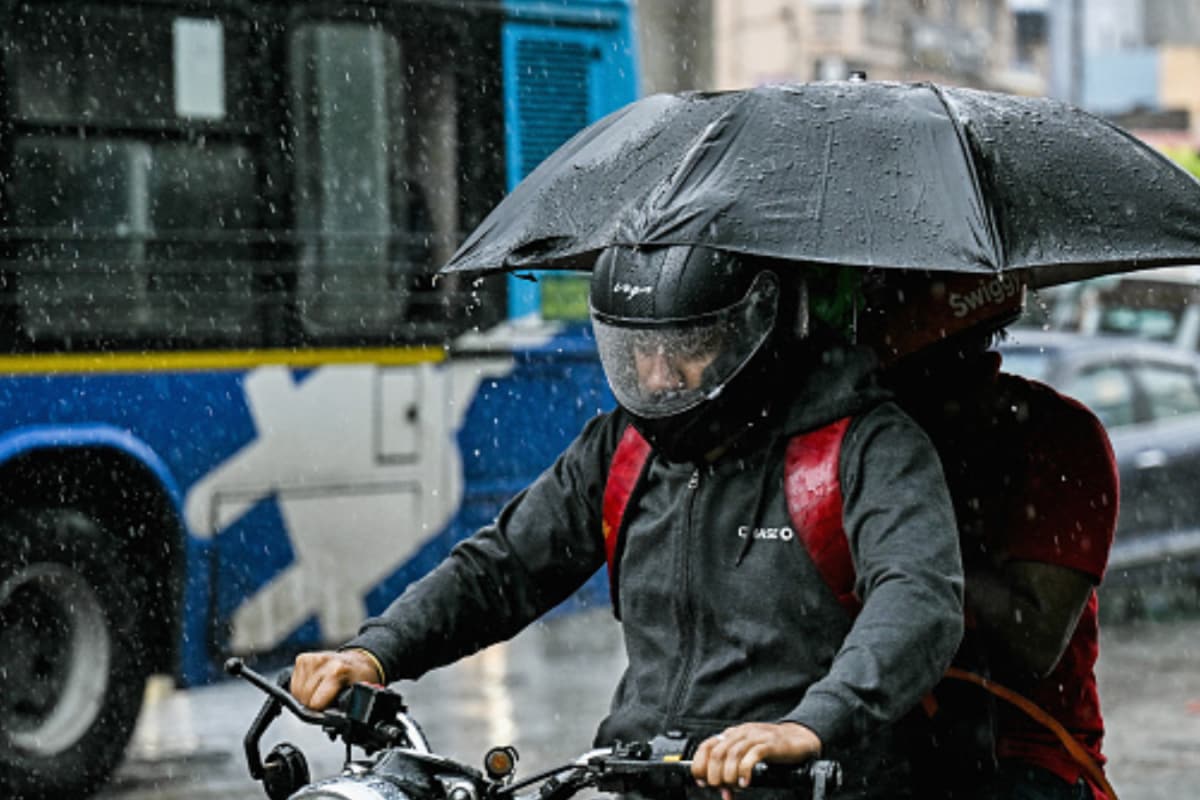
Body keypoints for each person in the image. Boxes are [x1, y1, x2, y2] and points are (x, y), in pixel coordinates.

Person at [290, 245, 965, 799]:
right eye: (638, 350)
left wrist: (808, 727)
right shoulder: (622, 448)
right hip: (637, 781)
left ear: (756, 324)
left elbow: (918, 600)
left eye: (689, 346)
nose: (659, 375)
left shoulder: (866, 445)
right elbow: (505, 566)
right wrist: (376, 652)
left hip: (812, 783)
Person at [872, 275, 1118, 800]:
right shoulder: (863, 435)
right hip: (880, 731)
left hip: (1025, 751)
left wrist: (920, 537)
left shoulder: (1057, 437)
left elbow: (1032, 643)